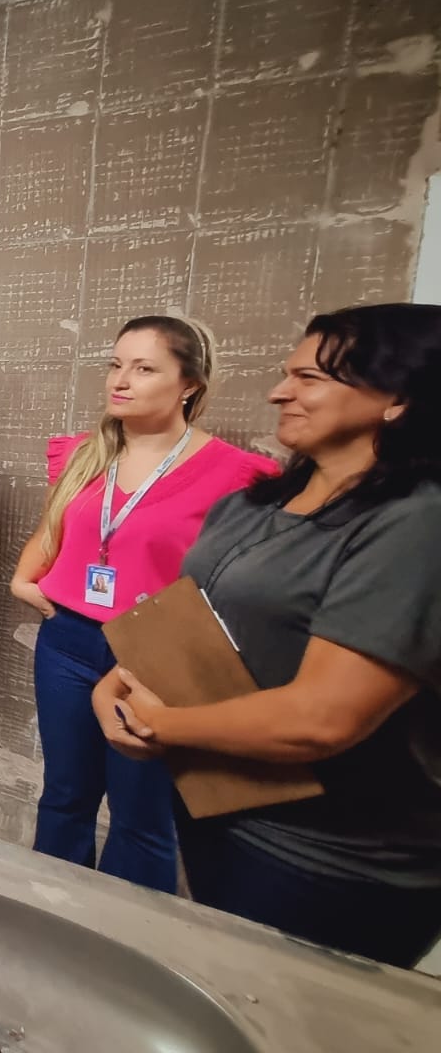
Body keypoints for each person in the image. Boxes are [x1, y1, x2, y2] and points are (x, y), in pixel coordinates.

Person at [95, 304, 441, 967]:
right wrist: (119, 681)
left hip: (330, 862)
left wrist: (160, 724)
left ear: (398, 397)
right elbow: (192, 617)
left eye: (309, 379)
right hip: (223, 815)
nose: (280, 392)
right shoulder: (255, 505)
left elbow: (321, 719)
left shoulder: (414, 523)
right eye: (287, 375)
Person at [10, 316, 276, 893]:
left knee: (141, 818)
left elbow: (247, 586)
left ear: (189, 385)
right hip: (68, 643)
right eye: (115, 365)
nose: (121, 380)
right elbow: (53, 532)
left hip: (160, 653)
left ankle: (121, 936)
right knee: (64, 797)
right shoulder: (84, 453)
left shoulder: (238, 475)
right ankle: (49, 915)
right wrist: (24, 582)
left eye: (144, 368)